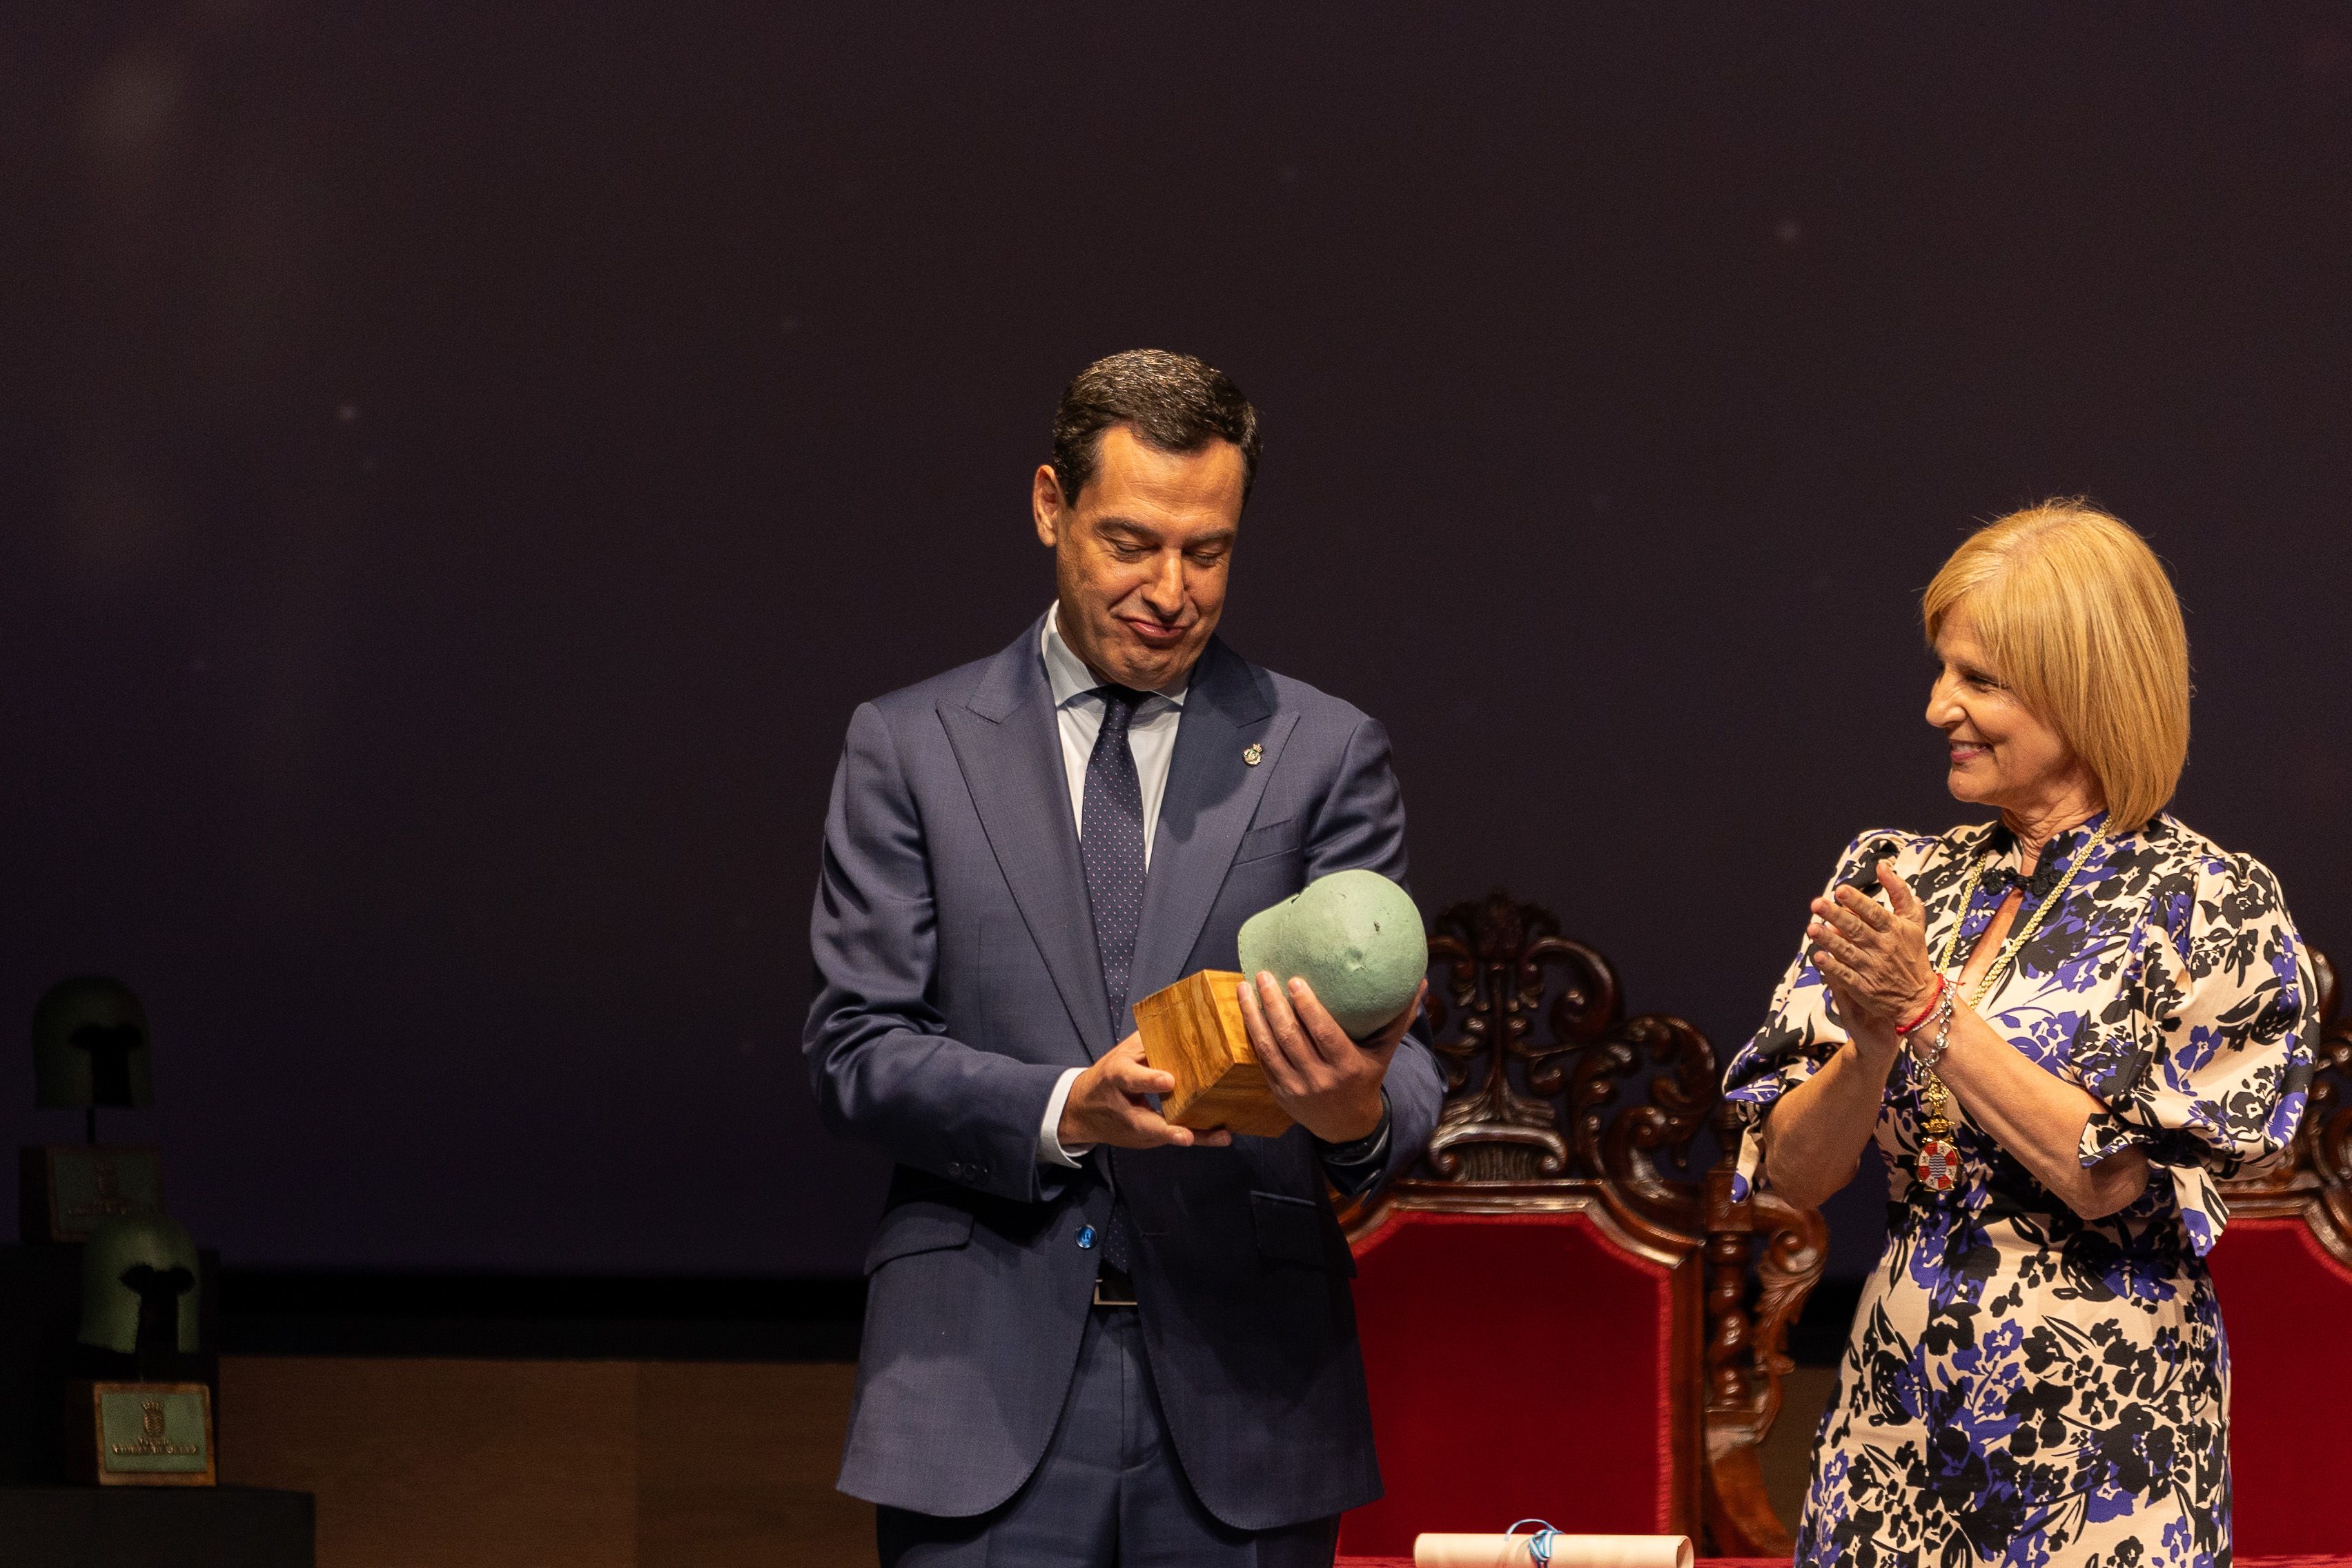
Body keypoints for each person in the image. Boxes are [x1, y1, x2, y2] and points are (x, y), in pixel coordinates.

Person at [805, 349, 1444, 1567]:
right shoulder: (909, 746)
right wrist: (1065, 1110)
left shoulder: (1320, 750)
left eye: (1208, 552)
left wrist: (1357, 1106)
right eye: (1132, 542)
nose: (1171, 589)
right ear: (1050, 505)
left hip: (1244, 1397)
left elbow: (1408, 1065)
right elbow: (854, 1049)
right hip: (978, 1392)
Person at [1722, 500, 2317, 1568]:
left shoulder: (2208, 901)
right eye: (1943, 670)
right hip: (1893, 1423)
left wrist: (1926, 1013)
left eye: (1980, 680)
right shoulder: (1902, 876)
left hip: (2105, 1437)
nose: (1938, 706)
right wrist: (1864, 1049)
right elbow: (1794, 1182)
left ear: (2085, 687)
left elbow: (2109, 1182)